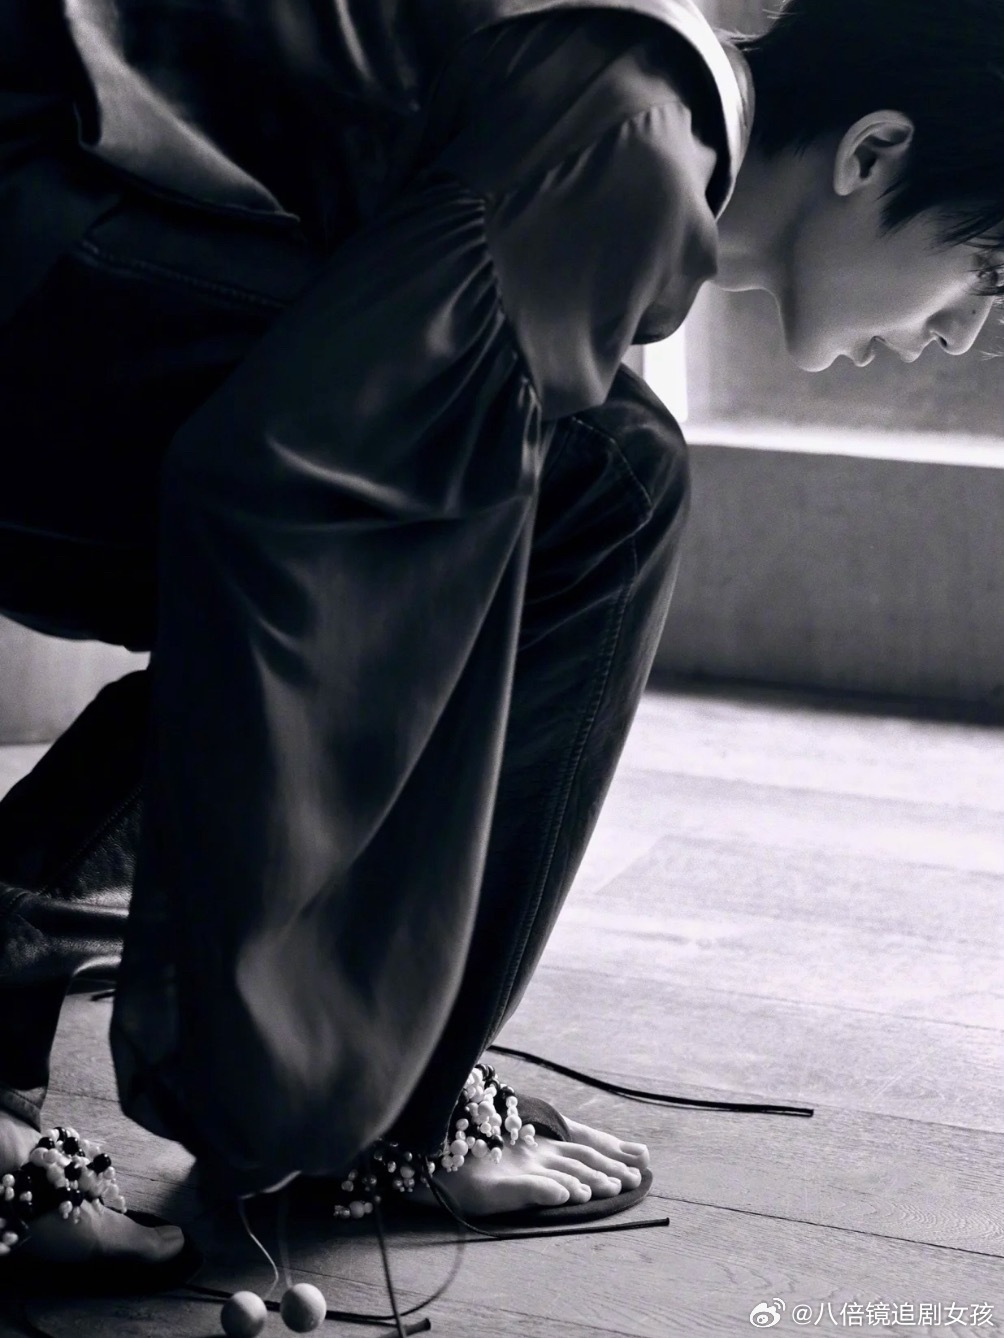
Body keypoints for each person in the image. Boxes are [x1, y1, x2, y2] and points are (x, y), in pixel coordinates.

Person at [0, 0, 1001, 1282]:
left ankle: (397, 1086)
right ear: (870, 152)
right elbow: (294, 505)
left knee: (585, 466)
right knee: (596, 479)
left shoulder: (647, 124)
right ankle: (374, 1098)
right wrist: (290, 1060)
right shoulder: (630, 141)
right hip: (31, 243)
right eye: (987, 270)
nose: (965, 332)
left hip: (65, 248)